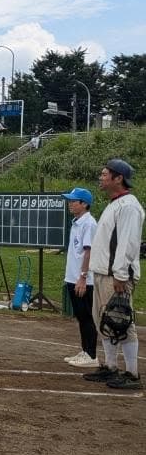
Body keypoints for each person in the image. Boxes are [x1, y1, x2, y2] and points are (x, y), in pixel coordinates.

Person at [85, 159, 143, 390]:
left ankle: (132, 373)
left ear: (118, 178)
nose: (101, 177)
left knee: (120, 321)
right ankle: (110, 366)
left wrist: (120, 275)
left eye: (105, 174)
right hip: (102, 273)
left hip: (115, 276)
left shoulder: (128, 206)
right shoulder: (114, 204)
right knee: (105, 321)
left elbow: (127, 244)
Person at [61, 187, 99, 370]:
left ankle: (91, 354)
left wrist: (83, 277)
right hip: (73, 277)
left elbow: (88, 252)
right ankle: (85, 350)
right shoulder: (77, 222)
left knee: (86, 317)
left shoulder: (89, 224)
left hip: (83, 280)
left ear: (84, 204)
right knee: (81, 316)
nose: (70, 203)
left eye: (73, 201)